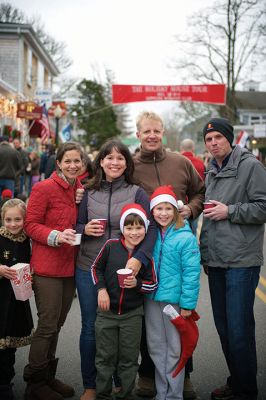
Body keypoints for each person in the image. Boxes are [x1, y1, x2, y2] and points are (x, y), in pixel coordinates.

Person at [75, 139, 157, 400]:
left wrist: (140, 258)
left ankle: (121, 381)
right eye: (109, 157)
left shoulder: (136, 192)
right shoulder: (88, 192)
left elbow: (152, 226)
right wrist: (83, 230)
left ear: (126, 163)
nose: (114, 162)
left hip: (126, 271)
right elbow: (75, 227)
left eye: (120, 158)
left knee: (124, 330)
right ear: (100, 161)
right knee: (91, 327)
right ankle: (92, 385)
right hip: (91, 268)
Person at [133, 111, 205, 399]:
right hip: (145, 248)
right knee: (150, 329)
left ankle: (182, 378)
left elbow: (201, 191)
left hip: (176, 238)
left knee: (179, 327)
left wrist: (191, 209)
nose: (152, 135)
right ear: (138, 134)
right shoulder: (131, 166)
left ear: (163, 133)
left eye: (157, 131)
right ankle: (148, 375)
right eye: (146, 131)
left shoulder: (181, 162)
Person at [200, 117, 266, 400]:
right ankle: (236, 381)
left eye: (218, 138)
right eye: (209, 140)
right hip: (215, 261)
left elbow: (263, 208)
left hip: (241, 261)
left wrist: (231, 211)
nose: (214, 143)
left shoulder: (250, 166)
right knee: (225, 330)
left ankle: (246, 390)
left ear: (229, 138)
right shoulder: (210, 170)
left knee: (239, 330)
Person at [23, 142, 85, 400]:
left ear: (83, 164)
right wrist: (55, 235)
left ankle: (47, 376)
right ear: (58, 163)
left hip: (69, 267)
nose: (72, 165)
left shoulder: (79, 189)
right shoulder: (43, 188)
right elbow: (30, 224)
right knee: (47, 325)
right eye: (67, 161)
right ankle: (34, 384)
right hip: (47, 267)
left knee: (57, 325)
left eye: (77, 161)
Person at [91, 203, 157, 400]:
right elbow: (95, 268)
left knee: (128, 359)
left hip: (132, 315)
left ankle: (125, 394)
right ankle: (102, 394)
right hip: (106, 313)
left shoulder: (145, 257)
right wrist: (101, 289)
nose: (134, 232)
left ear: (145, 228)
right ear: (122, 228)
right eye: (129, 228)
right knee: (104, 357)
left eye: (139, 228)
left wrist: (137, 284)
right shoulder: (111, 246)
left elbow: (152, 284)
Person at [145, 185, 200, 400]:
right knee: (156, 347)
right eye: (159, 208)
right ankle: (162, 393)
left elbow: (192, 274)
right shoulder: (149, 234)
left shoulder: (185, 237)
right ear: (152, 211)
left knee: (175, 348)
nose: (164, 213)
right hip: (151, 299)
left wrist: (188, 304)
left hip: (175, 303)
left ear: (176, 210)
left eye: (168, 208)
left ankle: (175, 395)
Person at [0, 199, 33, 400]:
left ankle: (5, 382)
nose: (13, 224)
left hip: (16, 301)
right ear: (2, 220)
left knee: (10, 344)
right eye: (8, 220)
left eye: (18, 219)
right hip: (0, 299)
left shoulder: (26, 241)